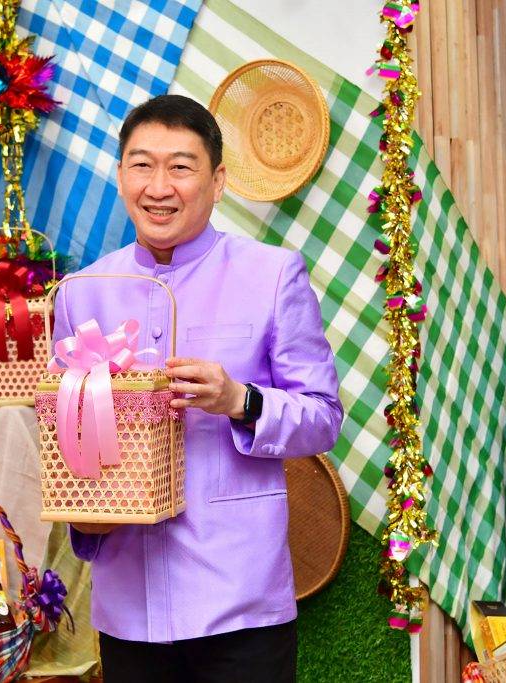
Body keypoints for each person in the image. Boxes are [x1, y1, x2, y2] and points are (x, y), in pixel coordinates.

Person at [51, 94, 343, 682]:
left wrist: (240, 401)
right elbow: (69, 441)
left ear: (218, 181)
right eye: (142, 165)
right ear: (120, 175)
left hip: (240, 600)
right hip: (129, 605)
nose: (159, 187)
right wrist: (86, 519)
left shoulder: (272, 274)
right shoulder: (81, 291)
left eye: (181, 167)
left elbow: (323, 417)